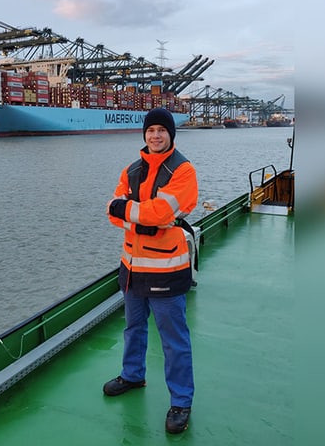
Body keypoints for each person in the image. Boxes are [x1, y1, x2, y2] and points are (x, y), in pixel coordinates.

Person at [103, 107, 198, 434]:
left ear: (171, 134)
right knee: (133, 328)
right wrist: (141, 215)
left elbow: (161, 212)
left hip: (166, 270)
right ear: (144, 134)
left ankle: (181, 401)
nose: (155, 135)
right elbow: (111, 211)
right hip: (131, 267)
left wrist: (130, 211)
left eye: (162, 130)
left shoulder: (183, 171)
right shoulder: (131, 170)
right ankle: (132, 375)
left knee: (173, 339)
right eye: (151, 130)